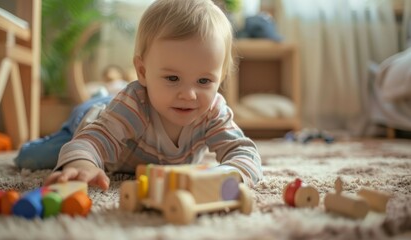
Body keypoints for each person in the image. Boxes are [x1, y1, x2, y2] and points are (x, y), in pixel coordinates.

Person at [44, 0, 263, 191]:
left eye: (204, 81)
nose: (188, 95)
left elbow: (243, 152)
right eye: (172, 79)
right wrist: (83, 164)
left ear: (221, 78)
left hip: (118, 113)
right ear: (143, 72)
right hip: (97, 117)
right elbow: (94, 140)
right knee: (41, 157)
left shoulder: (214, 111)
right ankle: (94, 103)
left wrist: (232, 175)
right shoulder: (134, 103)